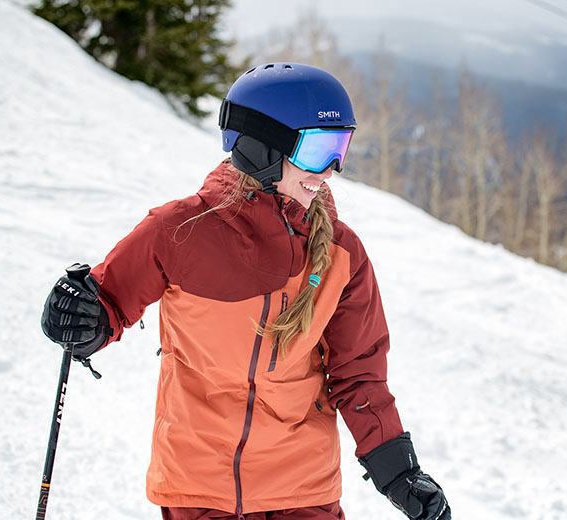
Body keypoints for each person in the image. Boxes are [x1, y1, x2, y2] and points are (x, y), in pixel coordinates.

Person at [41, 63, 450, 520]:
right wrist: (79, 316)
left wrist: (397, 472)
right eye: (317, 149)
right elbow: (107, 303)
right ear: (262, 148)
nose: (331, 171)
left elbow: (359, 375)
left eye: (340, 149)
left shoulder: (341, 254)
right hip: (198, 486)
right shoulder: (178, 231)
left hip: (303, 491)